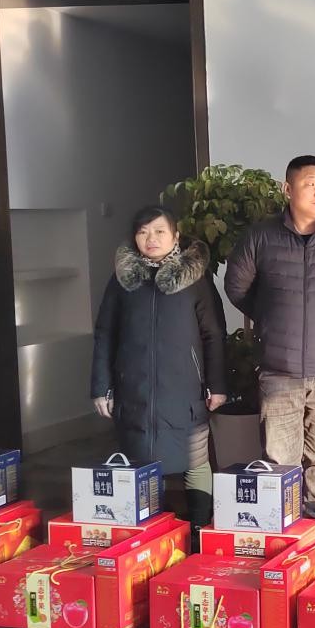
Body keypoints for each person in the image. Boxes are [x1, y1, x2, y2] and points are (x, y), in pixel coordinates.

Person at [224, 155, 315, 528]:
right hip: (278, 370)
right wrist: (271, 316)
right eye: (310, 183)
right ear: (287, 189)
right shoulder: (260, 236)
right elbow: (236, 287)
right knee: (280, 461)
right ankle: (284, 531)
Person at [90, 206, 226, 533]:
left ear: (176, 236)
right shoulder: (122, 281)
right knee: (142, 466)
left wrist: (218, 384)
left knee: (195, 461)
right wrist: (100, 386)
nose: (151, 239)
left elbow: (213, 333)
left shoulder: (196, 279)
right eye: (143, 232)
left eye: (159, 231)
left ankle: (199, 530)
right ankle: (151, 535)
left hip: (184, 390)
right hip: (134, 390)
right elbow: (105, 333)